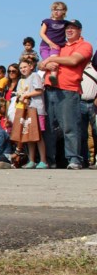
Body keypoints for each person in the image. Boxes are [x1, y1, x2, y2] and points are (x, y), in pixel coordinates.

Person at [40, 19, 93, 169]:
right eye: (67, 28)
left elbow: (74, 60)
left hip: (68, 90)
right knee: (48, 128)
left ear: (80, 31)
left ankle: (74, 159)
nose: (69, 30)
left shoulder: (85, 45)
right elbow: (40, 63)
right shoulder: (58, 44)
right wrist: (46, 63)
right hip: (49, 89)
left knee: (70, 127)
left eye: (73, 28)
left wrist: (52, 59)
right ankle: (49, 160)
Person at [39, 1, 68, 84]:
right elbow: (41, 33)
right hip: (45, 46)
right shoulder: (47, 21)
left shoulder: (65, 23)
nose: (55, 11)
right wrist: (50, 43)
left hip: (56, 46)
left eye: (58, 9)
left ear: (64, 11)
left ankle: (53, 76)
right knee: (47, 62)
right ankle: (43, 78)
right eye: (53, 10)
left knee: (54, 60)